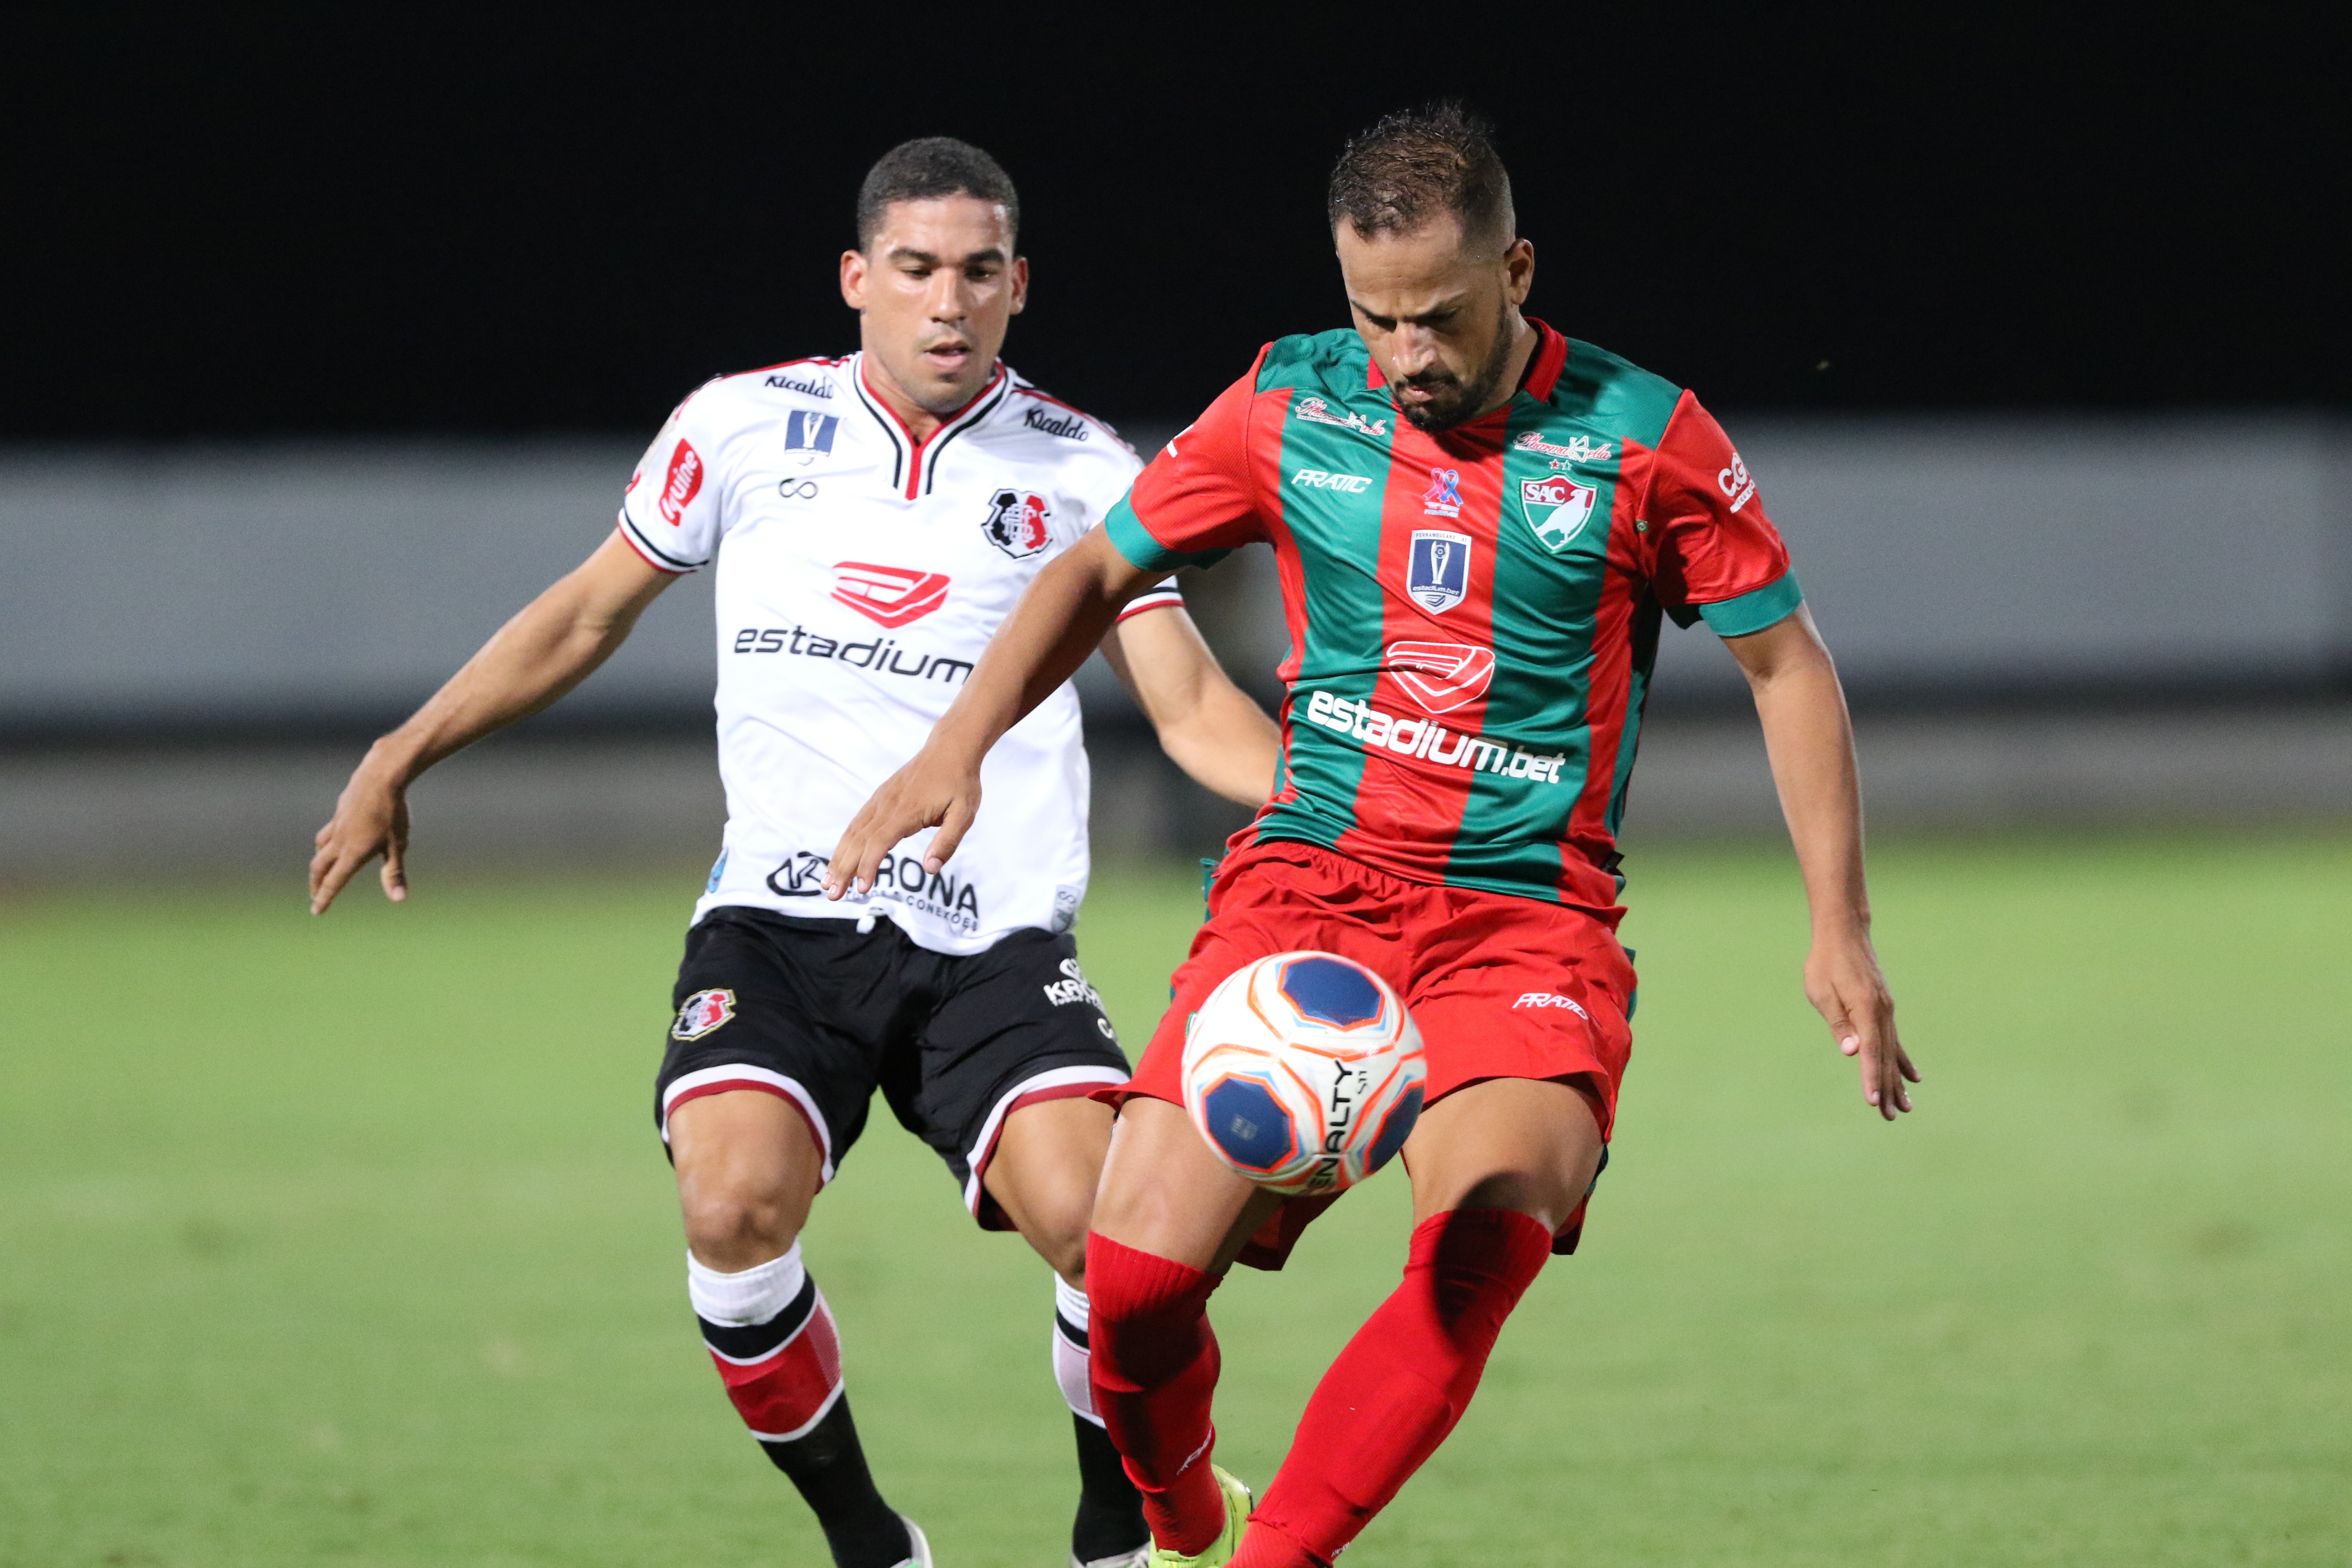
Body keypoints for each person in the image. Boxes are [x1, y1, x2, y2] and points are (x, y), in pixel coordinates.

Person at [824, 104, 1920, 1568]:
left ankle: (1281, 1556)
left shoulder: (1648, 440)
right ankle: (1179, 1496)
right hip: (1310, 888)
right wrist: (957, 744)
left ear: (1517, 270)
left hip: (1524, 918)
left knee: (1482, 1234)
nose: (1408, 354)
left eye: (1442, 316)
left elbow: (1787, 663)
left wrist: (1837, 925)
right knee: (1132, 1286)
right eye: (1377, 316)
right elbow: (1101, 564)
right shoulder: (1292, 401)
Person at [309, 137, 1281, 1568]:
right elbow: (589, 613)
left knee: (1105, 1236)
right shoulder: (742, 428)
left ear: (1020, 287)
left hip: (994, 943)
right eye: (915, 270)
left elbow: (1192, 705)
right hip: (783, 924)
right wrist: (403, 752)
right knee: (731, 1200)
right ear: (857, 280)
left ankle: (1111, 1532)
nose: (946, 303)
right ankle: (871, 1544)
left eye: (977, 272)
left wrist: (1372, 824)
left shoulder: (1084, 471)